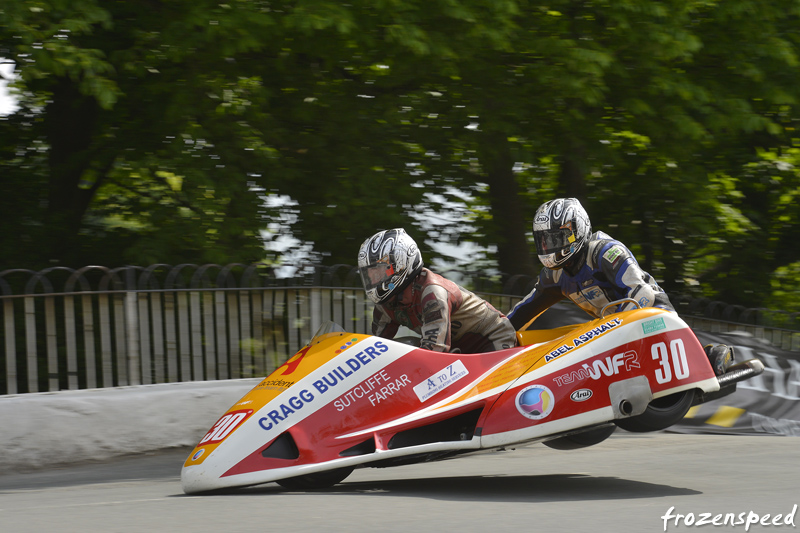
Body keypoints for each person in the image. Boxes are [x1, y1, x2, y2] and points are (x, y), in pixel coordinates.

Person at [507, 197, 734, 375]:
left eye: (555, 239)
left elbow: (642, 293)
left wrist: (612, 331)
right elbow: (526, 309)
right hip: (611, 331)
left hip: (652, 316)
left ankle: (709, 356)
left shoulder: (605, 251)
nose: (549, 246)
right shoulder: (554, 275)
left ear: (576, 230)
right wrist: (499, 331)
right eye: (544, 240)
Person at [358, 228, 517, 353]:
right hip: (460, 350)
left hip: (493, 338)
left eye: (379, 273)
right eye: (370, 275)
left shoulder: (433, 292)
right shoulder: (385, 304)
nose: (373, 281)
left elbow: (434, 350)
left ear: (400, 265)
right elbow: (376, 349)